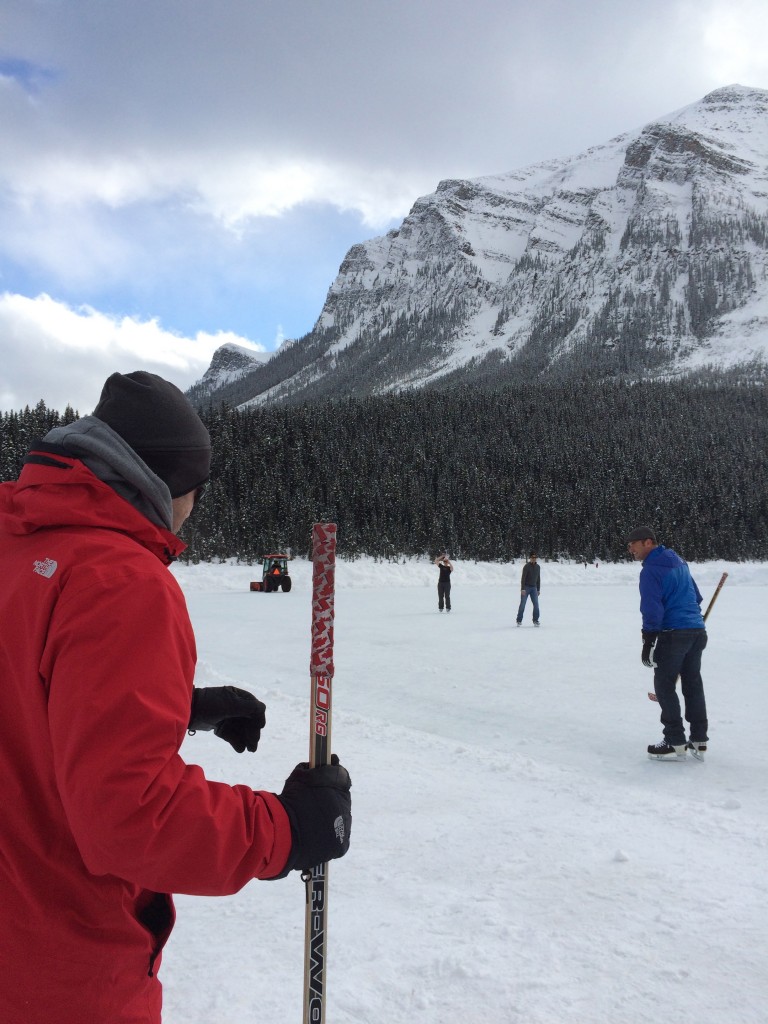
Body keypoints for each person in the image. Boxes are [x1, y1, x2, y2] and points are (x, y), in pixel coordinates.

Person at [0, 371, 352, 1023]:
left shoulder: (16, 537)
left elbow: (24, 691)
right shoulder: (120, 581)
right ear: (171, 486)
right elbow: (129, 819)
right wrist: (286, 830)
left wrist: (180, 707)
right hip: (61, 975)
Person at [627, 525, 708, 761]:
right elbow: (697, 596)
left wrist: (648, 639)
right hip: (696, 631)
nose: (630, 549)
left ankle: (674, 740)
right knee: (692, 684)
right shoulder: (680, 562)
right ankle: (699, 739)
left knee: (664, 685)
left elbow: (652, 607)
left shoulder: (651, 570)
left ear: (648, 542)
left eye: (633, 544)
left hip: (674, 634)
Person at [516, 551, 541, 626]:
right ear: (530, 558)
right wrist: (523, 588)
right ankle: (519, 620)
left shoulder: (538, 567)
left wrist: (538, 589)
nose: (534, 559)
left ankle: (535, 620)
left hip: (534, 588)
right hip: (526, 587)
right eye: (532, 557)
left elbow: (538, 578)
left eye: (535, 558)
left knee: (536, 605)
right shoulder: (526, 566)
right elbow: (523, 578)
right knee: (523, 604)